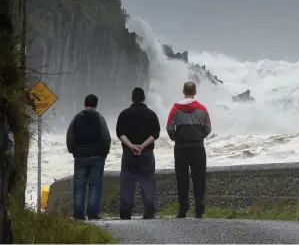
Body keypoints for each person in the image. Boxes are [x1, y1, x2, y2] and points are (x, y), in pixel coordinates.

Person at [166, 81, 211, 218]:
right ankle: (199, 209)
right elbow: (208, 128)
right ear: (195, 92)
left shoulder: (175, 108)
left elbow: (169, 127)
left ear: (183, 91)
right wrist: (199, 136)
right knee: (199, 178)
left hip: (181, 148)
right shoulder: (202, 109)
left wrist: (176, 138)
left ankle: (183, 209)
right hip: (197, 147)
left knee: (182, 179)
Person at [116, 87, 160, 220]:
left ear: (132, 98)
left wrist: (131, 146)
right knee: (147, 182)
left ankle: (125, 212)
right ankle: (149, 212)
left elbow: (120, 134)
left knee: (127, 183)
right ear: (143, 98)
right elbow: (155, 134)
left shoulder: (124, 114)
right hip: (146, 153)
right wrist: (142, 146)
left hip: (129, 154)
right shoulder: (151, 114)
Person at [66, 94, 111, 220]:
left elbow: (70, 136)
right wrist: (104, 153)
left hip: (80, 157)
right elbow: (106, 138)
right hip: (97, 156)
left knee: (79, 186)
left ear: (84, 103)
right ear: (96, 105)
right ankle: (92, 214)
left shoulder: (76, 118)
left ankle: (79, 214)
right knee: (95, 185)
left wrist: (73, 151)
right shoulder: (100, 118)